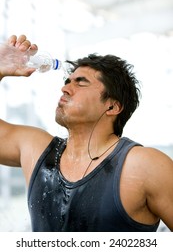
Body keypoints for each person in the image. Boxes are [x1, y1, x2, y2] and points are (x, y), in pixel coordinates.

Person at [0, 34, 173, 232]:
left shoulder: (145, 166)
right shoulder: (36, 150)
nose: (64, 88)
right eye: (67, 81)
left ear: (112, 106)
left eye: (80, 83)